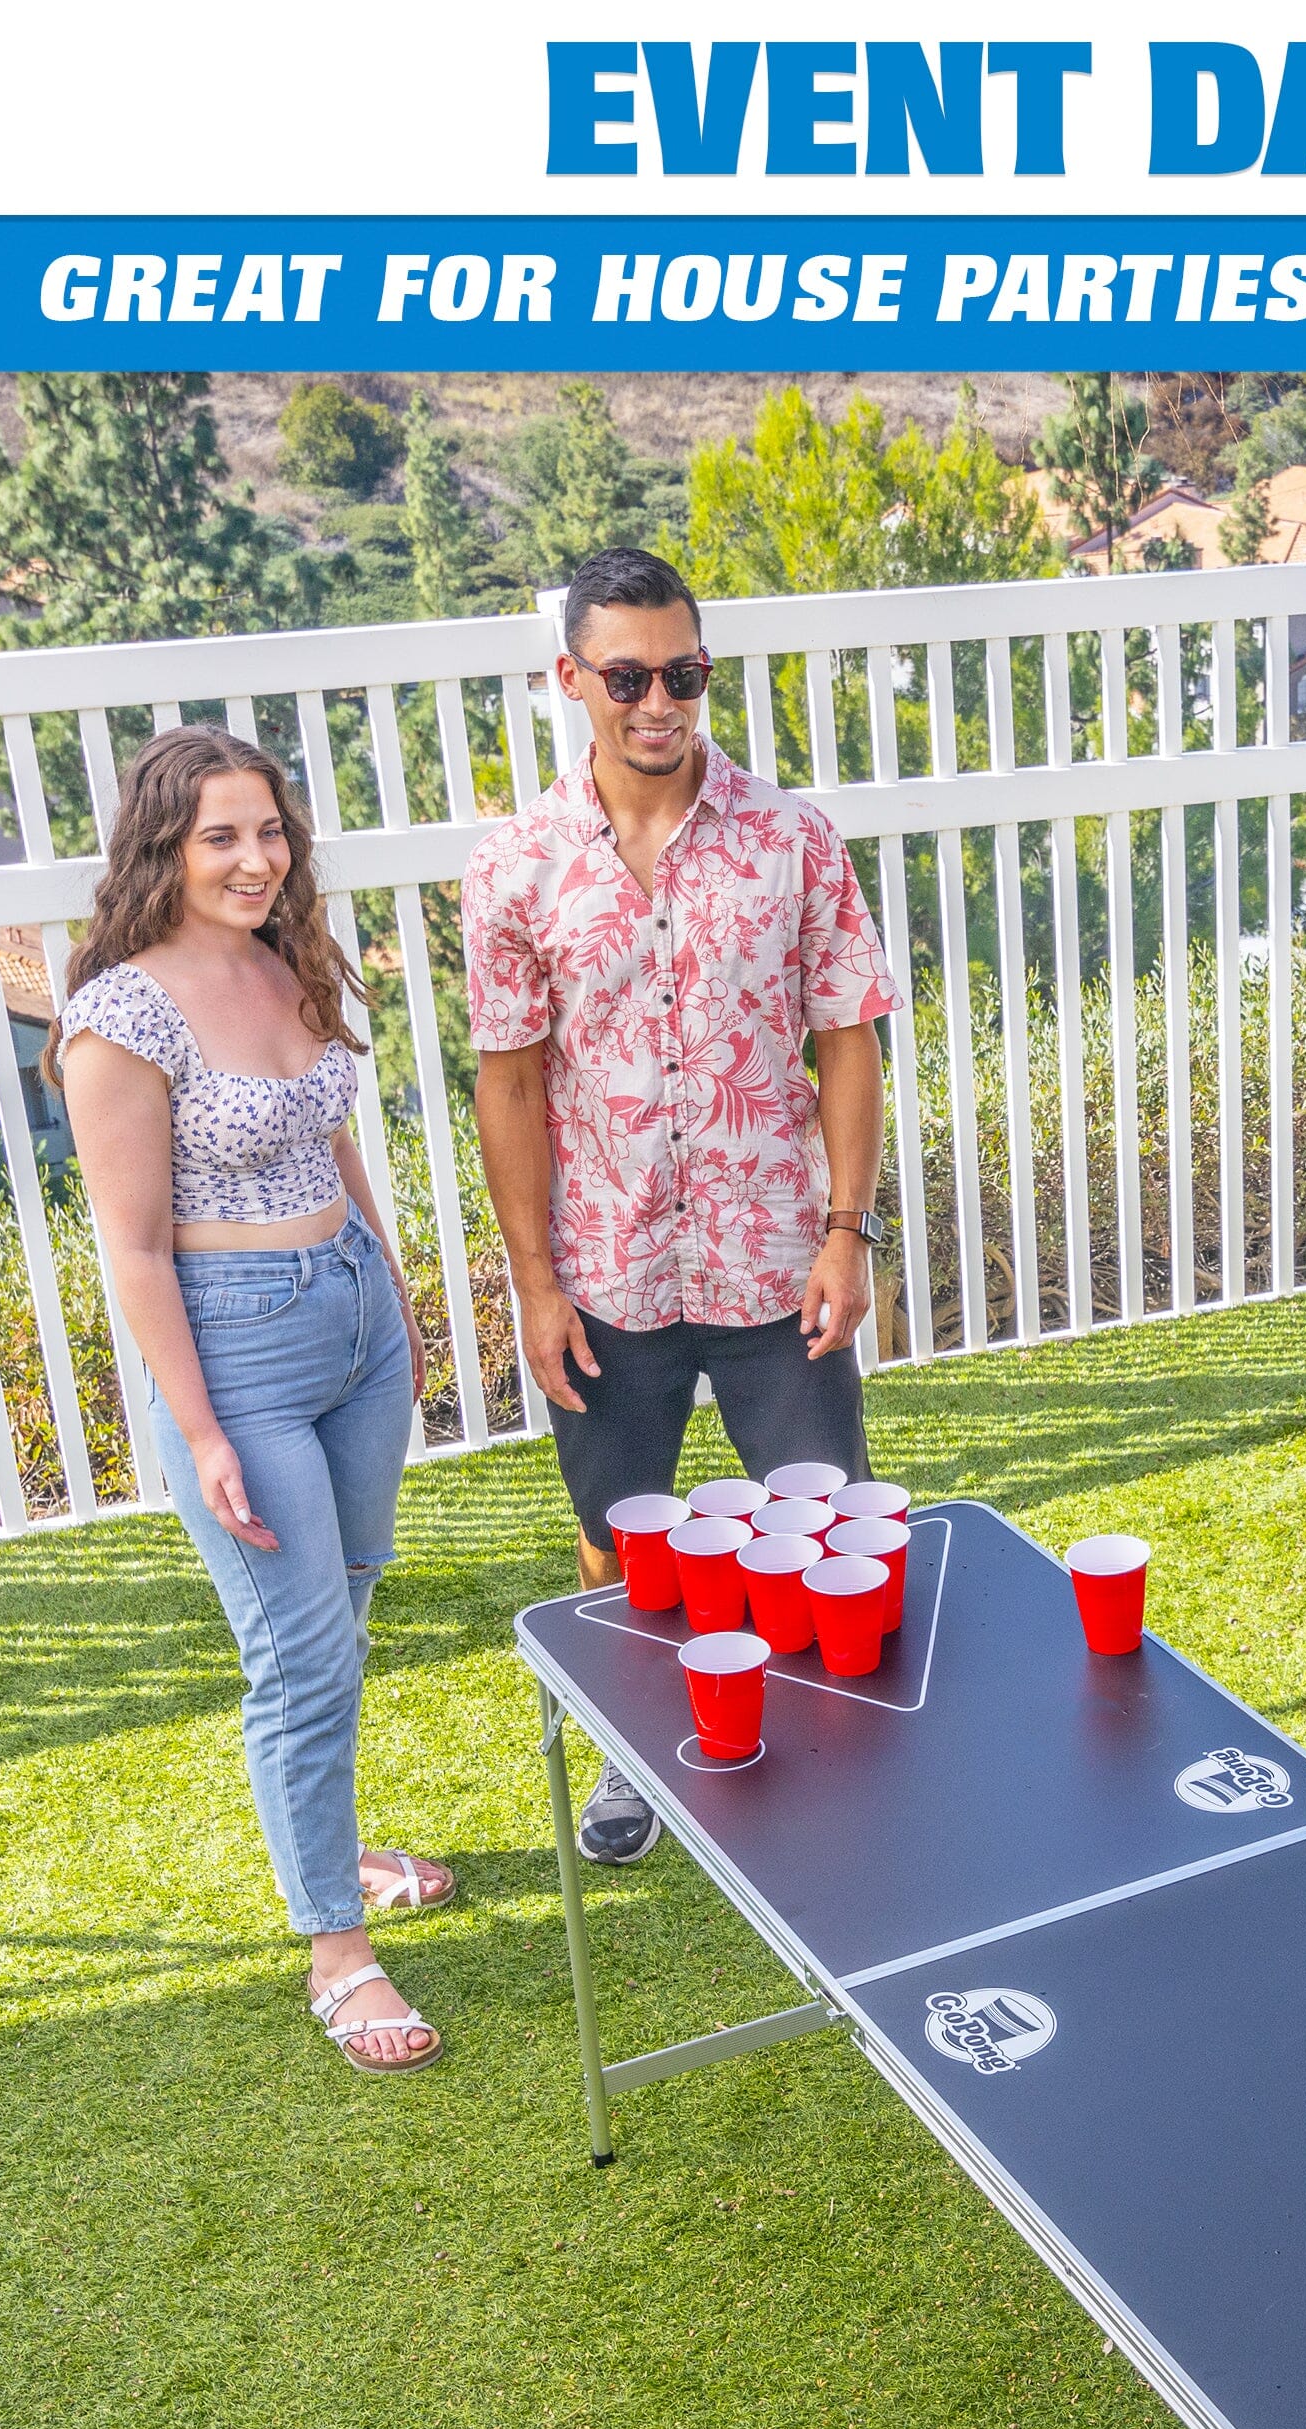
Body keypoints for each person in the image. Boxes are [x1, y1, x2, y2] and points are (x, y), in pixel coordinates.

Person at [467, 545, 904, 1866]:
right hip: (608, 1273)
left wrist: (846, 1230)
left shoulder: (792, 841)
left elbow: (848, 1040)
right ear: (571, 679)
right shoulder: (516, 865)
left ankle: (863, 1760)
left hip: (775, 1260)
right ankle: (635, 1758)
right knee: (618, 1543)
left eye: (686, 673)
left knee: (828, 1522)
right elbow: (510, 1082)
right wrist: (537, 1282)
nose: (659, 702)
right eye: (628, 676)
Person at [53, 727, 452, 2073]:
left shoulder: (289, 960)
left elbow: (338, 1136)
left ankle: (335, 1849)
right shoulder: (120, 1015)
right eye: (219, 835)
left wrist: (391, 1295)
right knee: (301, 1654)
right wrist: (205, 1431)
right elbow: (135, 1247)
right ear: (161, 847)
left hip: (349, 1321)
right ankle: (338, 1953)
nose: (254, 857)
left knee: (344, 1604)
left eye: (269, 830)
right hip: (236, 1353)